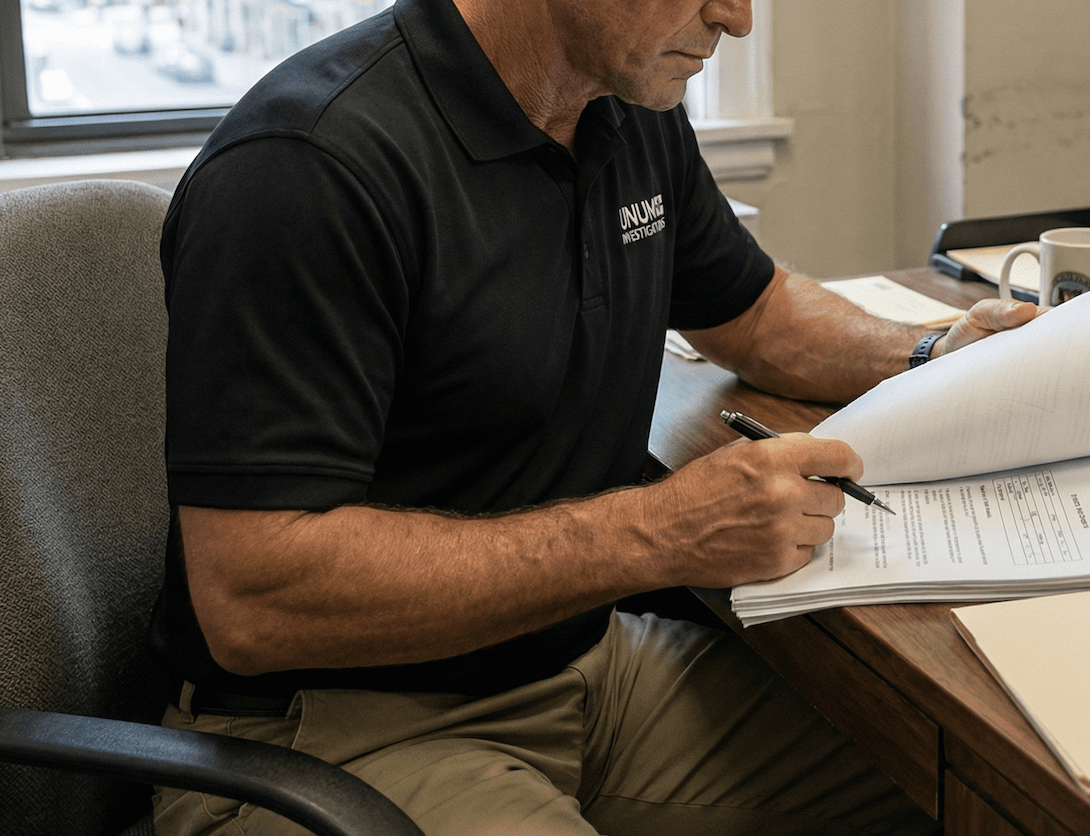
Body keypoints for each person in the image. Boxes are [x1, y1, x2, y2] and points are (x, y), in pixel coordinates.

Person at [149, 0, 1037, 833]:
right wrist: (661, 532)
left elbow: (752, 311)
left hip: (577, 669)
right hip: (341, 730)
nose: (738, 17)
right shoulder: (306, 167)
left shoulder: (626, 103)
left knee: (980, 793)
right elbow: (254, 601)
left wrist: (926, 356)